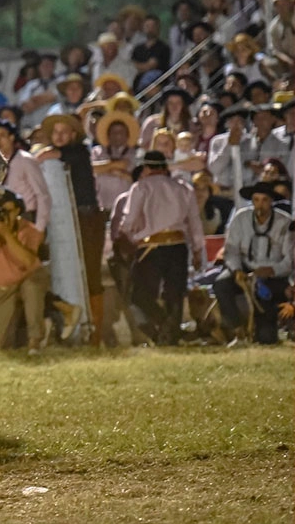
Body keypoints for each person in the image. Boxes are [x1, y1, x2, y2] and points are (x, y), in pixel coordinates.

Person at [118, 151, 204, 345]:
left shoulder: (140, 187)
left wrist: (127, 237)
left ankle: (163, 323)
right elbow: (194, 222)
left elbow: (129, 221)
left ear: (146, 168)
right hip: (178, 246)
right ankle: (171, 334)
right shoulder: (183, 188)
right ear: (165, 167)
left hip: (151, 246)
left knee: (139, 295)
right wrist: (198, 249)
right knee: (174, 293)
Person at [35, 112, 106, 339]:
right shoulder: (63, 156)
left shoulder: (79, 152)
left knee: (90, 271)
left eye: (64, 132)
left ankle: (96, 330)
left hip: (87, 217)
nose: (59, 136)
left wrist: (37, 157)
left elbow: (52, 154)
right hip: (67, 219)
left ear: (73, 134)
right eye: (55, 132)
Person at [213, 181, 292, 345]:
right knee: (221, 284)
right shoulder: (240, 218)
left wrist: (271, 270)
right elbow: (232, 249)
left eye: (264, 200)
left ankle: (267, 329)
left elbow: (289, 260)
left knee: (266, 338)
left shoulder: (285, 223)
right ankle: (237, 330)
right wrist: (237, 271)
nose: (260, 205)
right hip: (244, 269)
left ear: (271, 201)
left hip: (271, 275)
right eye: (256, 200)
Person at [0, 188, 50, 353]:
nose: (3, 215)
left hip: (29, 276)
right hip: (5, 286)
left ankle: (35, 340)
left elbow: (28, 260)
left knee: (31, 287)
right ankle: (53, 310)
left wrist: (7, 235)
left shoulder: (28, 230)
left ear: (18, 211)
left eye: (8, 211)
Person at [0, 119, 50, 232]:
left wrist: (39, 228)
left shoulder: (25, 160)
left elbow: (42, 194)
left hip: (27, 218)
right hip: (6, 220)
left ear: (11, 137)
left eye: (2, 136)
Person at [208, 104, 258, 207]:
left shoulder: (252, 141)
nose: (236, 125)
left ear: (244, 123)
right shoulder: (217, 141)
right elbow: (214, 168)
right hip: (222, 193)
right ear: (227, 123)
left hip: (244, 193)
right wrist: (229, 145)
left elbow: (251, 171)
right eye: (232, 121)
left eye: (239, 121)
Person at [267, 0, 294, 70]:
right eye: (278, 5)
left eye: (284, 4)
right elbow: (275, 50)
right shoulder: (274, 26)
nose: (281, 8)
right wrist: (288, 60)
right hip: (288, 62)